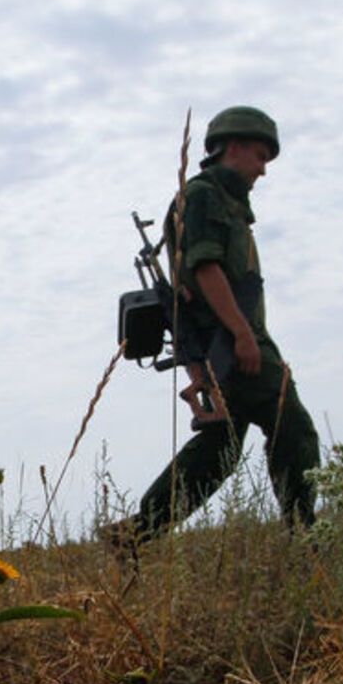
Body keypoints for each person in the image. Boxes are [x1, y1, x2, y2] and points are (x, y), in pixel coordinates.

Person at [103, 106, 320, 550]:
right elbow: (204, 270)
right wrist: (241, 335)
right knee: (292, 427)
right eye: (260, 156)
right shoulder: (204, 197)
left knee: (217, 452)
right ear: (233, 147)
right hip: (237, 344)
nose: (263, 170)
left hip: (228, 345)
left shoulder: (227, 205)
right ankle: (306, 538)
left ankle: (134, 534)